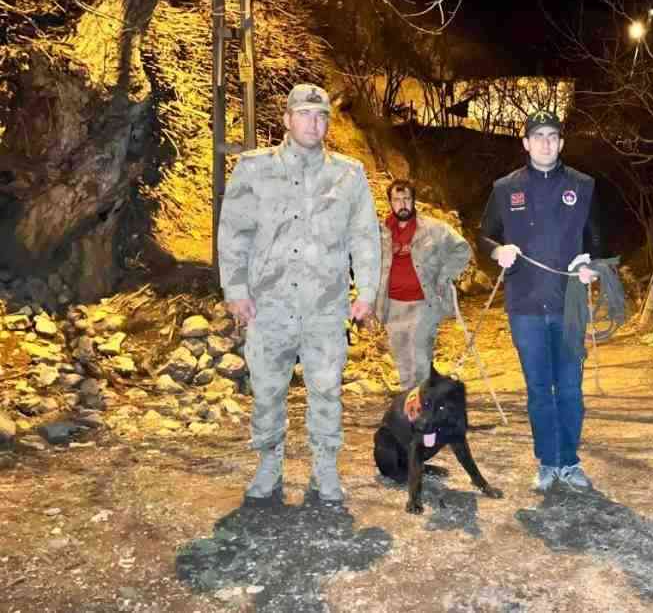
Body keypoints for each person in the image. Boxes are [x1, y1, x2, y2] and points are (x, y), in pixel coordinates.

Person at [218, 83, 380, 505]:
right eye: (305, 114)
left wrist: (367, 290)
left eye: (321, 115)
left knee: (326, 390)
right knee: (268, 390)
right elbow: (233, 232)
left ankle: (324, 466)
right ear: (287, 119)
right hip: (268, 306)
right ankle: (269, 466)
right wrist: (235, 289)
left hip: (325, 308)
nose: (313, 123)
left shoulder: (348, 174)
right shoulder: (254, 170)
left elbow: (364, 236)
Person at [478, 110, 603, 491]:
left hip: (569, 305)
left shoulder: (583, 186)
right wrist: (497, 252)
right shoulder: (504, 188)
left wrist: (592, 266)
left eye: (553, 136)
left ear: (561, 143)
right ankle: (548, 461)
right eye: (539, 136)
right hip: (525, 305)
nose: (546, 142)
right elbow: (485, 236)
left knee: (569, 388)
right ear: (526, 142)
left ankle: (570, 460)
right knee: (537, 389)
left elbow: (599, 242)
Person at [373, 179, 472, 391]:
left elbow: (462, 250)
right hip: (392, 306)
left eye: (406, 199)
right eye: (397, 200)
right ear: (390, 202)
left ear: (413, 201)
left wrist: (444, 275)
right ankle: (412, 411)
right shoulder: (379, 233)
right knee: (403, 364)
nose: (402, 204)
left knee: (420, 357)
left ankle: (425, 411)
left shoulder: (434, 229)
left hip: (424, 304)